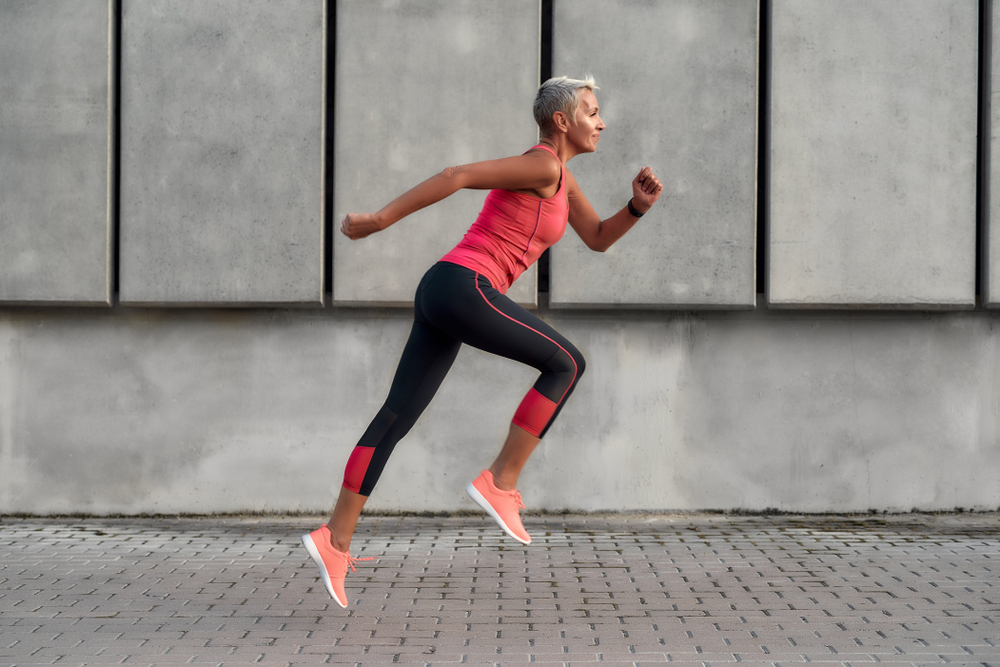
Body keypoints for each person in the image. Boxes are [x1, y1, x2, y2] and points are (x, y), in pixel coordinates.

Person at [302, 76, 664, 607]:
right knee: (567, 363)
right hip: (464, 285)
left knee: (394, 418)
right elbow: (458, 175)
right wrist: (379, 220)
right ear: (562, 121)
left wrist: (635, 208)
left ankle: (334, 540)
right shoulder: (542, 163)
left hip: (443, 290)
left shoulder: (561, 178)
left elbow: (598, 238)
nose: (602, 121)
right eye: (591, 111)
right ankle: (501, 480)